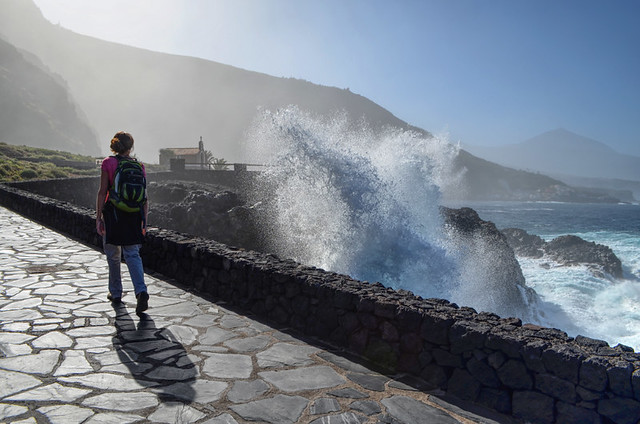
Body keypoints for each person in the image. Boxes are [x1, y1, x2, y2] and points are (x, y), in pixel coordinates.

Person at [96, 131, 149, 314]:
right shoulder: (139, 166)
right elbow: (144, 198)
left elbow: (102, 192)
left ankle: (116, 292)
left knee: (113, 255)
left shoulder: (108, 163)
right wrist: (144, 222)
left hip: (114, 214)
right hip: (134, 215)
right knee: (133, 254)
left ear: (114, 145)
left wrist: (98, 218)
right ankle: (141, 291)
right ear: (131, 147)